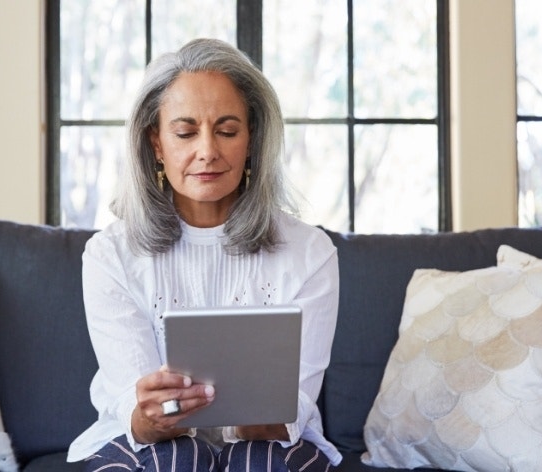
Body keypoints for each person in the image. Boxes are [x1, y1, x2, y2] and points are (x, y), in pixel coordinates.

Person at [67, 38, 341, 471]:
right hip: (149, 447)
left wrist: (264, 417)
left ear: (252, 139)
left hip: (268, 446)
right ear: (155, 142)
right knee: (177, 458)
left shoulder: (310, 252)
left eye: (228, 130)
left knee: (258, 461)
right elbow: (132, 408)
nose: (208, 150)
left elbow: (296, 405)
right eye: (185, 132)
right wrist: (150, 418)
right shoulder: (110, 254)